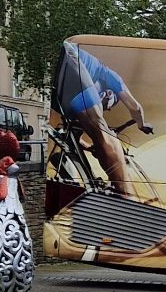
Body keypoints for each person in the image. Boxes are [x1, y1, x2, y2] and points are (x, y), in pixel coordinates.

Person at [60, 44, 152, 199]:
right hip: (70, 60)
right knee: (103, 131)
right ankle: (129, 198)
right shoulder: (110, 76)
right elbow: (135, 107)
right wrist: (142, 125)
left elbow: (75, 136)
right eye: (109, 107)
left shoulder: (85, 93)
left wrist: (90, 147)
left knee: (78, 131)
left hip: (64, 77)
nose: (106, 109)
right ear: (108, 94)